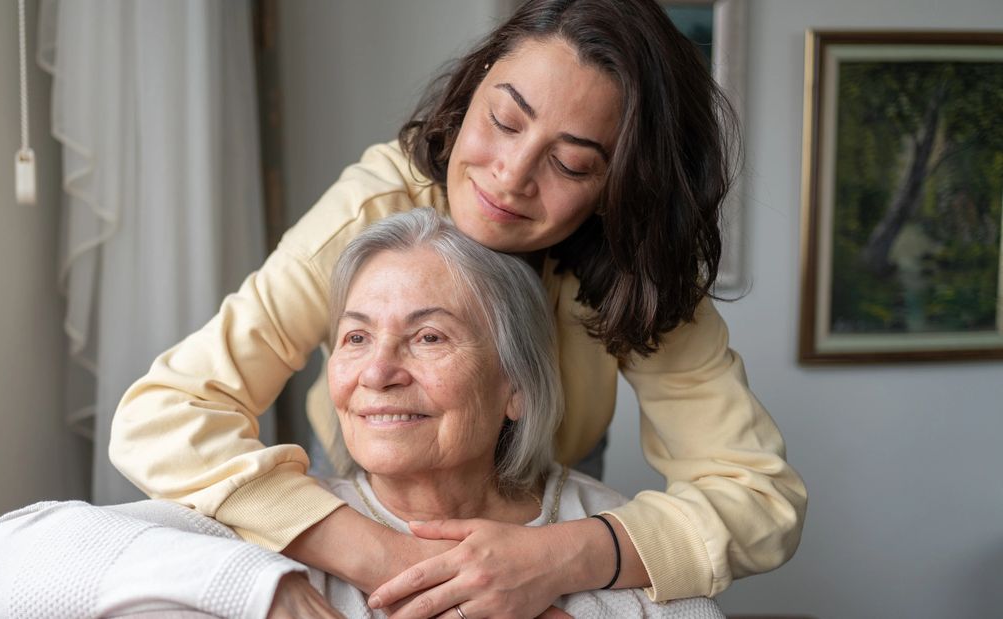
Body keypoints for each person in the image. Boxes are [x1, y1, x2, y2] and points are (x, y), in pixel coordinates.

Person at [111, 0, 807, 616]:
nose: (510, 175)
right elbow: (164, 415)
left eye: (569, 164)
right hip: (366, 494)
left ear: (620, 186)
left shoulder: (638, 269)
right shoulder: (370, 210)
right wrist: (385, 558)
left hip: (549, 499)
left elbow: (760, 497)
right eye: (504, 120)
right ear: (473, 89)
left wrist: (558, 558)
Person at [0, 209, 726, 619]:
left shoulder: (602, 534)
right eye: (356, 337)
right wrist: (265, 593)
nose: (377, 372)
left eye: (428, 336)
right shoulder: (279, 520)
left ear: (516, 385)